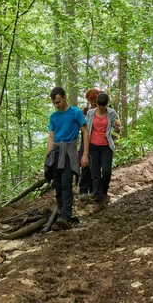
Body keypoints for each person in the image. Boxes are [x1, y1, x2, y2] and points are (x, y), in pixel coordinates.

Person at [45, 87, 89, 230]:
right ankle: (61, 214)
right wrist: (48, 157)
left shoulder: (76, 112)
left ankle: (65, 216)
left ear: (65, 97)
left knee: (66, 183)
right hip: (56, 153)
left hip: (70, 152)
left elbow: (85, 132)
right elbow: (51, 136)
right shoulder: (53, 116)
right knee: (57, 185)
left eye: (58, 102)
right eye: (54, 103)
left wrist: (84, 154)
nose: (56, 105)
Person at [85, 92, 121, 210]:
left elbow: (117, 131)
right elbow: (85, 129)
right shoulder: (90, 113)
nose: (100, 107)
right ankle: (98, 200)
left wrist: (117, 126)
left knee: (106, 173)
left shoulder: (112, 113)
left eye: (103, 106)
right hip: (93, 146)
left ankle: (104, 192)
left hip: (106, 146)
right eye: (99, 105)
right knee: (95, 174)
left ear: (106, 104)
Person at [79, 88, 102, 196]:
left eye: (95, 101)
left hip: (97, 142)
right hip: (85, 141)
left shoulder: (102, 111)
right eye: (91, 101)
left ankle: (93, 190)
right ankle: (83, 190)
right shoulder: (84, 111)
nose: (93, 103)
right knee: (85, 165)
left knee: (95, 166)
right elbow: (79, 126)